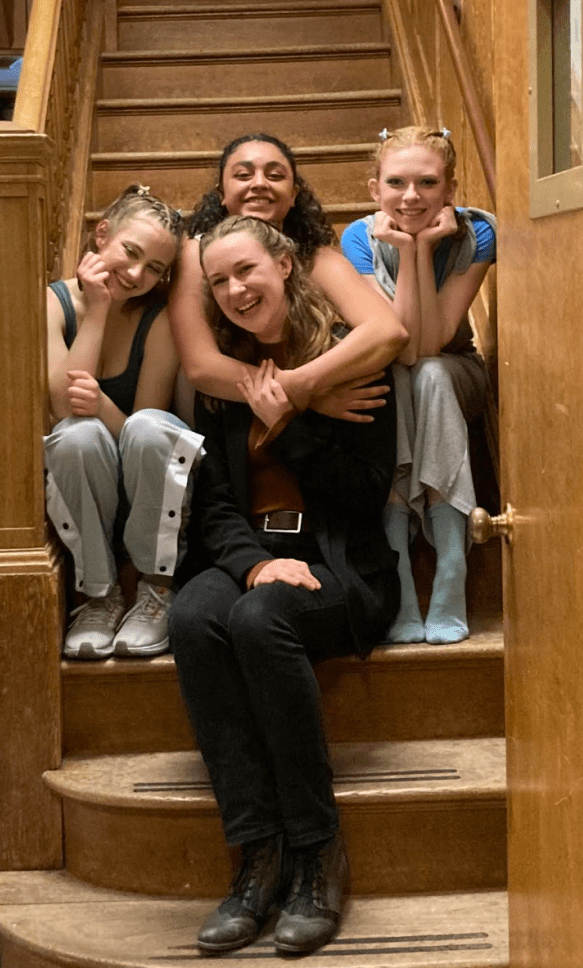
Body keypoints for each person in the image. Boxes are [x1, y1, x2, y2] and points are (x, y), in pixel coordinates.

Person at [169, 215, 399, 956]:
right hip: (252, 555)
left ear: (285, 265)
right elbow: (212, 504)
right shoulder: (225, 376)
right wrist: (251, 561)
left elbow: (363, 498)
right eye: (219, 282)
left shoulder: (344, 361)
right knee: (195, 615)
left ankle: (314, 850)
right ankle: (256, 855)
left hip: (337, 563)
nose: (236, 290)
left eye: (246, 271)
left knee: (258, 619)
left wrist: (292, 417)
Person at [341, 126, 497, 645]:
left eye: (428, 183)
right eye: (397, 183)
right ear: (374, 190)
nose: (411, 197)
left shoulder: (478, 234)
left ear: (450, 190)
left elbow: (430, 344)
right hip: (399, 376)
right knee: (400, 374)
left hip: (456, 375)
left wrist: (424, 247)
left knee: (427, 374)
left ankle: (450, 569)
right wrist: (410, 251)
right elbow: (398, 345)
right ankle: (403, 577)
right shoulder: (358, 239)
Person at [45, 185, 205, 660]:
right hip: (84, 474)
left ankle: (156, 589)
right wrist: (96, 311)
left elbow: (142, 424)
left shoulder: (159, 317)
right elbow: (61, 406)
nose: (136, 274)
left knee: (149, 428)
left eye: (155, 268)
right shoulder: (53, 302)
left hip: (148, 479)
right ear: (102, 235)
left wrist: (98, 405)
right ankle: (98, 595)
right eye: (130, 253)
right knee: (75, 436)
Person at [169, 132, 408, 421]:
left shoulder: (316, 259)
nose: (259, 183)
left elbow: (386, 332)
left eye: (275, 175)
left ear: (294, 194)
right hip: (227, 407)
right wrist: (303, 395)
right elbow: (200, 366)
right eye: (243, 175)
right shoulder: (197, 254)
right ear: (221, 193)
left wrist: (304, 383)